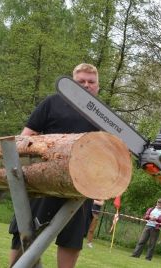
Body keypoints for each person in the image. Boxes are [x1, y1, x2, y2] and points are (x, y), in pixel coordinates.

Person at [9, 63, 100, 268]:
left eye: (91, 82)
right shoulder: (52, 103)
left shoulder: (103, 115)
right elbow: (25, 137)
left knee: (72, 239)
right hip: (43, 176)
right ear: (71, 84)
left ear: (97, 86)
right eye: (81, 82)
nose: (86, 85)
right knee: (24, 230)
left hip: (80, 184)